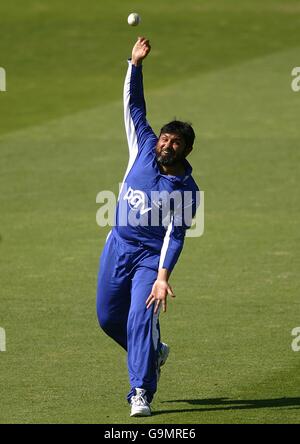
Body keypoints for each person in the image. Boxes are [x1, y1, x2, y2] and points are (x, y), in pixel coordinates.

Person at [96, 36, 200, 417]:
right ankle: (154, 352)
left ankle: (140, 390)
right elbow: (134, 106)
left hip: (147, 259)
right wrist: (135, 65)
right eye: (165, 138)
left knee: (140, 317)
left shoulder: (187, 190)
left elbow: (176, 236)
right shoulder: (142, 146)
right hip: (117, 245)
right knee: (109, 318)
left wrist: (162, 275)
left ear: (186, 151)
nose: (166, 144)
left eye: (176, 142)